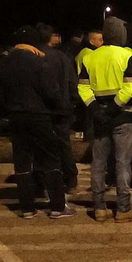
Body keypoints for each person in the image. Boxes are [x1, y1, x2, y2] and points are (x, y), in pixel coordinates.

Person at [0, 25, 72, 219]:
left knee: (22, 161)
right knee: (49, 159)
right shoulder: (38, 62)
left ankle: (27, 207)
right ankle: (57, 206)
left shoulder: (4, 63)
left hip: (15, 116)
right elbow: (51, 92)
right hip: (39, 115)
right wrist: (60, 109)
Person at [82, 16, 132, 222]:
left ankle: (99, 207)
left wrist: (96, 110)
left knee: (98, 163)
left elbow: (82, 87)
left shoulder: (89, 57)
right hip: (123, 116)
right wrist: (112, 108)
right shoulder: (128, 56)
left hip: (99, 117)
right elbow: (130, 86)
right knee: (122, 163)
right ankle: (123, 208)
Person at [38, 24, 80, 197]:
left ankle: (45, 181)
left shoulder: (35, 57)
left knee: (42, 146)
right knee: (64, 144)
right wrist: (72, 101)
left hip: (42, 109)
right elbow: (72, 83)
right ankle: (70, 178)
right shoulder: (62, 57)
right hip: (62, 108)